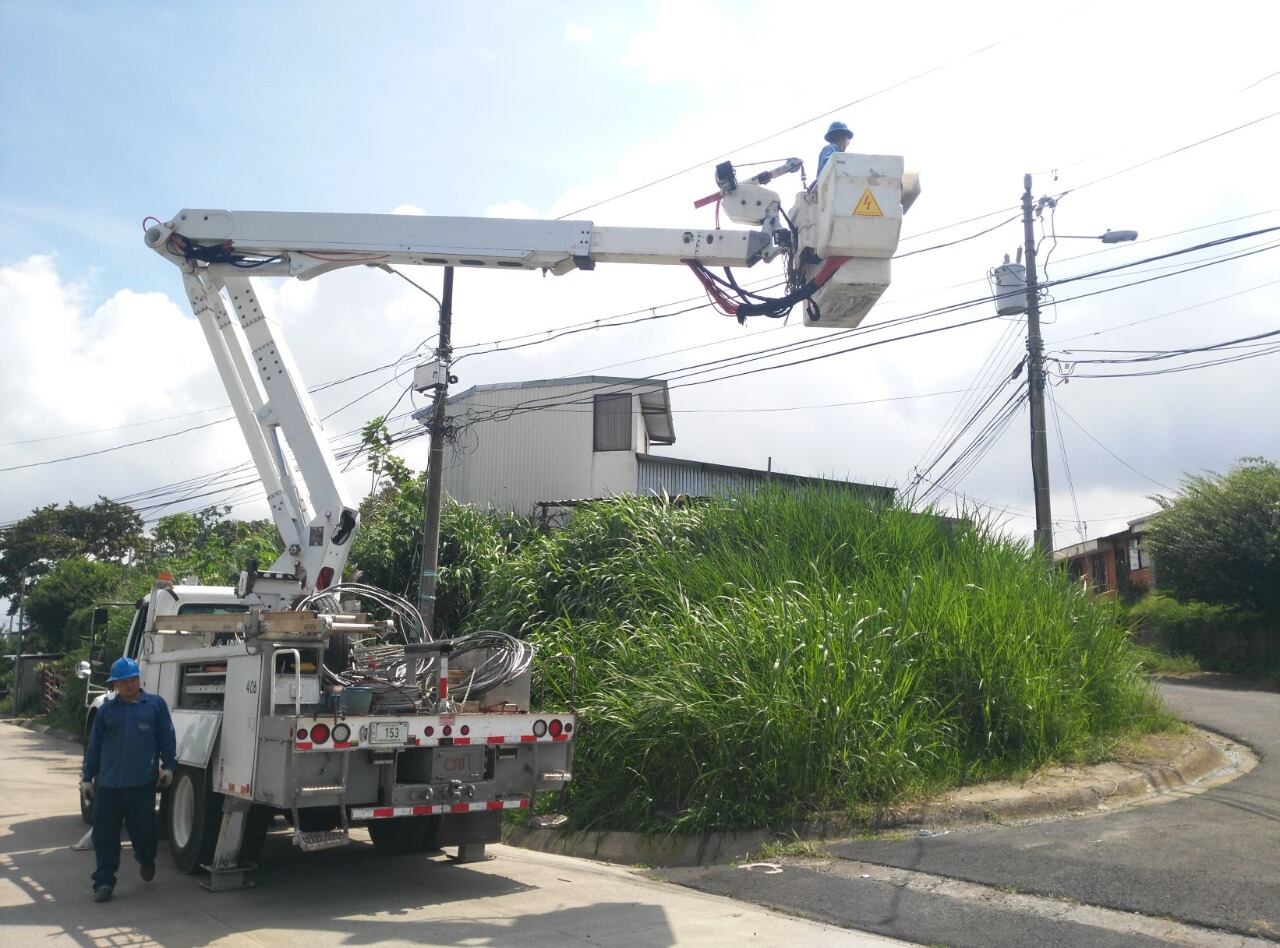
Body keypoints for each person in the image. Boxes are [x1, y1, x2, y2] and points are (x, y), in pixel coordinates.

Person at [80, 657, 176, 903]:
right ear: (115, 684)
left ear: (139, 679)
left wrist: (169, 766)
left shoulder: (155, 706)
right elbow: (94, 747)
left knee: (144, 832)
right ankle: (104, 882)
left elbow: (166, 736)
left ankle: (146, 859)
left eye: (132, 679)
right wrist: (87, 778)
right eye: (123, 681)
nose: (129, 684)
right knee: (104, 835)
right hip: (109, 786)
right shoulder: (106, 712)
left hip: (141, 785)